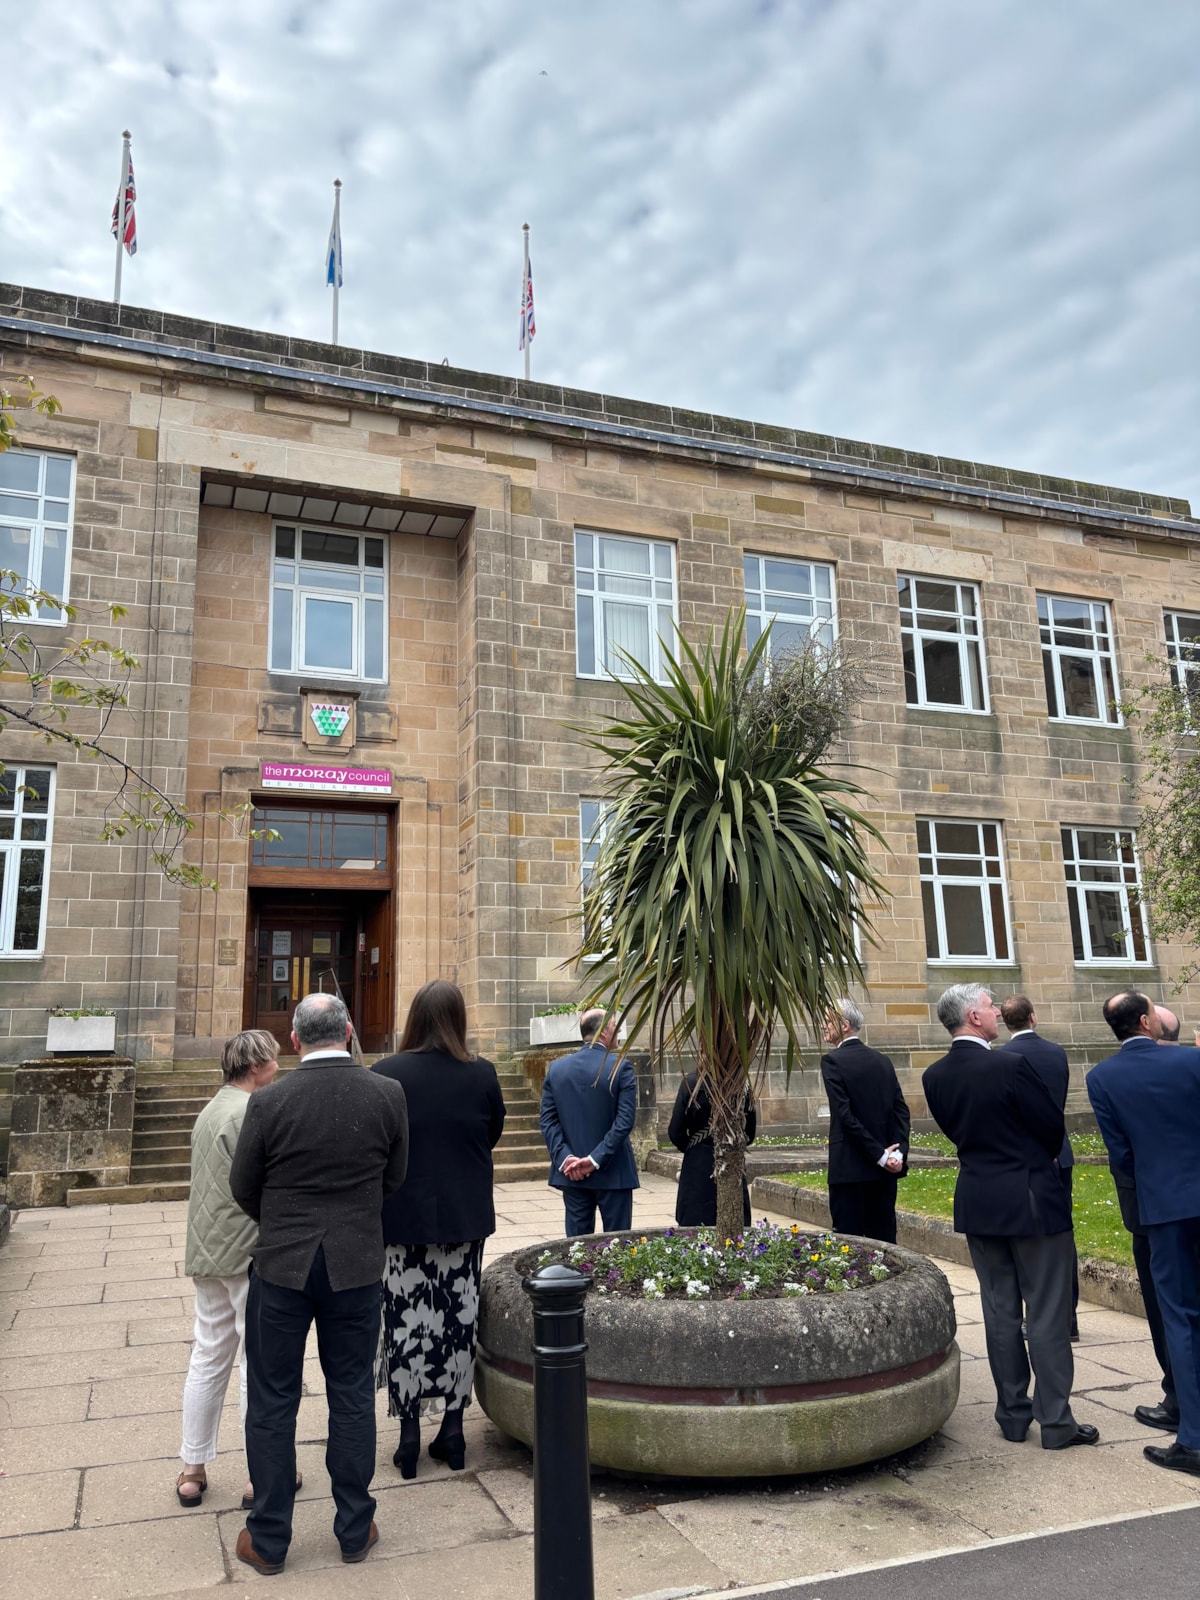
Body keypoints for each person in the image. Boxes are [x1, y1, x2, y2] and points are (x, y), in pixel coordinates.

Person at [229, 992, 409, 1574]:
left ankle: (268, 1539)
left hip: (282, 1267)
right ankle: (355, 1528)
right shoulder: (386, 1093)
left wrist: (283, 1224)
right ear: (350, 1032)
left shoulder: (268, 1101)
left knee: (273, 1397)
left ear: (293, 1040)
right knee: (351, 1393)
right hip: (355, 1266)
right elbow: (395, 1176)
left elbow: (243, 1185)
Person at [922, 983, 1097, 1451]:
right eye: (989, 1006)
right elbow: (1051, 1130)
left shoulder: (934, 1075)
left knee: (999, 1311)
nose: (997, 1012)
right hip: (1031, 1197)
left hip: (979, 1198)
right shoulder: (1011, 1065)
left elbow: (957, 1131)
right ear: (973, 1018)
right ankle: (1056, 1421)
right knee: (1047, 1311)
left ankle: (1013, 1415)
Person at [371, 980, 506, 1479]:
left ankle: (408, 1437)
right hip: (461, 1219)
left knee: (405, 1324)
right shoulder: (481, 1073)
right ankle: (453, 1430)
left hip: (401, 1220)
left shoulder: (386, 1073)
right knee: (457, 1322)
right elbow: (492, 1131)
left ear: (414, 1019)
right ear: (458, 1019)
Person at [1087, 992, 1200, 1478]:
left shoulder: (1101, 1078)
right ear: (1146, 1021)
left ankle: (1193, 1440)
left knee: (1181, 1318)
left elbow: (1121, 1156)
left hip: (1162, 1207)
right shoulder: (1191, 1061)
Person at [176, 1029, 281, 1509]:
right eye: (273, 1059)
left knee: (208, 1355)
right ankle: (262, 1473)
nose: (279, 1065)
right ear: (256, 1066)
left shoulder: (211, 1109)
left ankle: (192, 1468)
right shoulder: (249, 1111)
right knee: (255, 1362)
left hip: (207, 1248)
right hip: (244, 1250)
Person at [997, 995, 1079, 1338]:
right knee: (1062, 1234)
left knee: (1025, 1239)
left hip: (1020, 1159)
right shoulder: (1055, 1052)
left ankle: (1034, 1314)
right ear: (1033, 1017)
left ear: (1005, 1023)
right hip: (1059, 1151)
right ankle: (1067, 1317)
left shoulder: (1000, 1058)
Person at [539, 1009, 639, 1236]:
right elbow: (624, 1121)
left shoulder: (557, 1069)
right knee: (617, 1245)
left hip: (572, 1173)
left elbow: (548, 1120)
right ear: (603, 1031)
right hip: (614, 1171)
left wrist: (566, 1158)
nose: (619, 1030)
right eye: (615, 1025)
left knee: (576, 1246)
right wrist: (595, 1159)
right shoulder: (621, 1067)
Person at [819, 998, 910, 1243]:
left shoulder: (832, 1061)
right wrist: (897, 1154)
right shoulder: (882, 1060)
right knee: (884, 1244)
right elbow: (901, 1111)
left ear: (845, 1025)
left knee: (849, 1246)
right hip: (884, 1172)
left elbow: (845, 1116)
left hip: (850, 1171)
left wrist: (880, 1155)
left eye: (827, 1020)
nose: (823, 1026)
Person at [668, 1073, 756, 1228]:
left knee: (694, 1226)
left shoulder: (691, 1083)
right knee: (735, 1227)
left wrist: (694, 1148)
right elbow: (749, 1132)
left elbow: (675, 1131)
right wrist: (732, 1142)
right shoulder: (742, 1083)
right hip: (731, 1158)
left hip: (697, 1164)